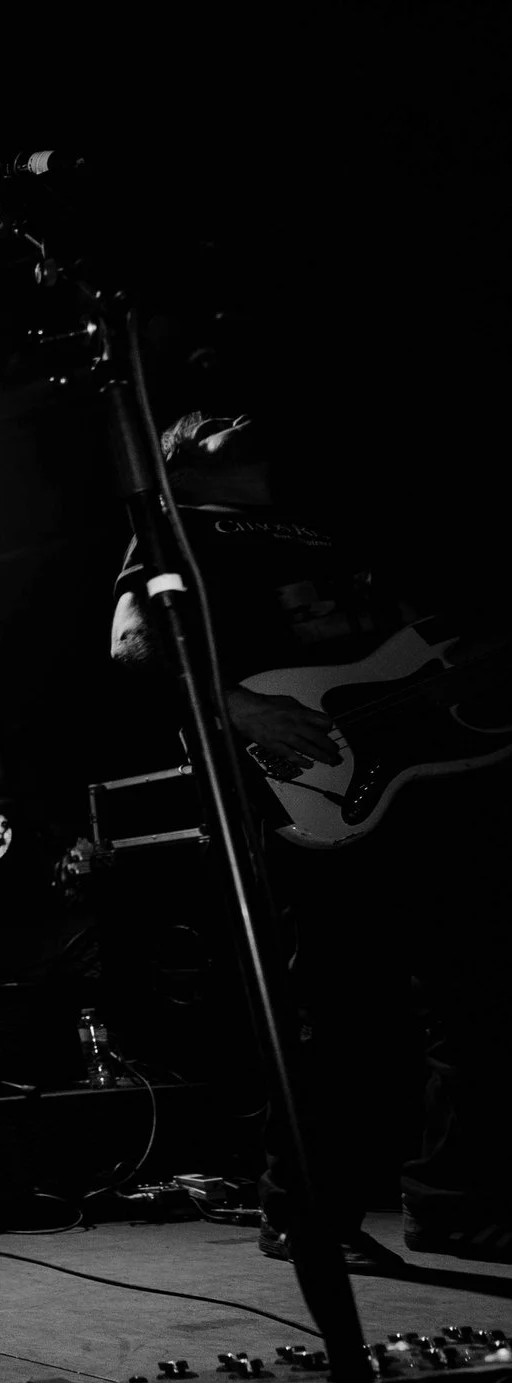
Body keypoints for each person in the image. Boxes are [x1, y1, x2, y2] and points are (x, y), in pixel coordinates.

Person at [111, 411, 511, 1266]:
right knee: (340, 1007)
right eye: (209, 422)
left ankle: (453, 1205)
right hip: (309, 779)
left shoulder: (324, 525)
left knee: (475, 997)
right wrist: (239, 706)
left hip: (416, 775)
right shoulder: (175, 523)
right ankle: (303, 1213)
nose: (234, 416)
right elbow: (133, 642)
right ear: (178, 459)